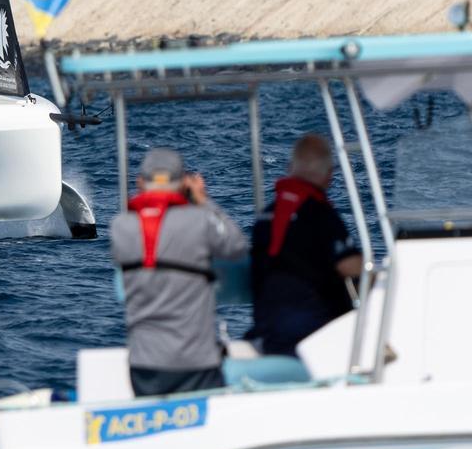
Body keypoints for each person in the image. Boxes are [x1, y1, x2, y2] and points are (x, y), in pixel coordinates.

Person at [111, 147, 247, 397]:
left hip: (143, 367)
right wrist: (202, 200)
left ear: (140, 182)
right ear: (184, 183)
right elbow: (236, 246)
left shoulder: (120, 227)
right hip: (196, 365)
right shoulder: (200, 221)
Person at [247, 134, 361, 356]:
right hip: (314, 332)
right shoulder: (320, 214)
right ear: (329, 175)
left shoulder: (264, 217)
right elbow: (353, 268)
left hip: (268, 329)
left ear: (290, 168)